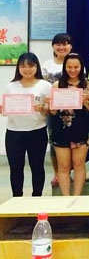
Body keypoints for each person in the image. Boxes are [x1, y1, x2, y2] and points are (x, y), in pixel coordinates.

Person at [2, 53, 51, 197]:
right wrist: (3, 110)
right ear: (18, 68)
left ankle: (37, 198)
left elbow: (51, 109)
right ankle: (17, 198)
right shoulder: (10, 86)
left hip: (37, 131)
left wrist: (42, 108)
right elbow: (5, 108)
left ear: (37, 67)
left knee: (37, 166)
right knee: (15, 168)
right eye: (23, 66)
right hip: (14, 132)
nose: (27, 69)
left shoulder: (45, 85)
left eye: (30, 66)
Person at [48, 53, 89, 196]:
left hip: (82, 129)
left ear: (81, 67)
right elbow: (53, 112)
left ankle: (77, 196)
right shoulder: (57, 85)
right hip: (61, 129)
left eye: (76, 67)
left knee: (79, 164)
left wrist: (86, 100)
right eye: (69, 67)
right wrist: (51, 103)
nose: (73, 70)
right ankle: (66, 197)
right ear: (64, 67)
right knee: (63, 166)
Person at [40, 33, 72, 188]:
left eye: (65, 44)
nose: (61, 47)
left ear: (70, 46)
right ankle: (57, 173)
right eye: (58, 44)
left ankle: (68, 172)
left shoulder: (75, 62)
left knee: (72, 142)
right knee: (54, 143)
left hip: (72, 111)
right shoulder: (47, 65)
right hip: (53, 111)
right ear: (53, 46)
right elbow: (42, 87)